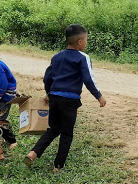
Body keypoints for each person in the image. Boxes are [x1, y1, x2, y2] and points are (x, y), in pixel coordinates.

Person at [24, 25, 106, 172]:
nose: (86, 42)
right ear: (80, 42)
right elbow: (88, 79)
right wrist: (98, 96)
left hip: (55, 98)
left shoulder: (56, 57)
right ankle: (58, 166)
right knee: (67, 134)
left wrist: (49, 93)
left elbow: (47, 78)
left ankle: (33, 153)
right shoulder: (83, 57)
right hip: (70, 100)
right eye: (86, 39)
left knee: (53, 129)